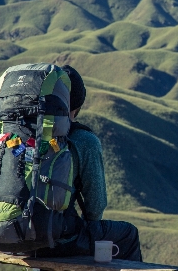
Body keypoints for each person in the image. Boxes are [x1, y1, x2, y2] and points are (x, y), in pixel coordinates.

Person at [34, 65, 143, 261]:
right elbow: (95, 208)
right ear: (78, 104)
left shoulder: (22, 132)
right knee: (128, 234)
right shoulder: (84, 140)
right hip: (55, 239)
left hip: (4, 232)